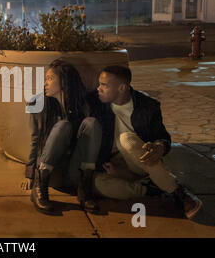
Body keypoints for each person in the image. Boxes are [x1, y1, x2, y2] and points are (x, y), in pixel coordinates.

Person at [89, 65, 203, 219]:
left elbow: (163, 138)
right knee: (97, 183)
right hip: (115, 164)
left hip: (140, 160)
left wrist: (158, 147)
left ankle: (179, 193)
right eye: (99, 84)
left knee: (126, 139)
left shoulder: (148, 106)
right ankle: (151, 187)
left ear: (122, 87)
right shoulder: (96, 104)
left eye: (104, 85)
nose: (98, 88)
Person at [21, 59, 102, 215]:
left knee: (92, 123)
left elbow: (91, 140)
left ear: (64, 82)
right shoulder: (37, 104)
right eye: (45, 79)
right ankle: (40, 187)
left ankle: (85, 187)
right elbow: (35, 139)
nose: (45, 83)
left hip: (74, 170)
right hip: (51, 171)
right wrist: (30, 174)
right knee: (63, 125)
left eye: (50, 79)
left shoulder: (84, 104)